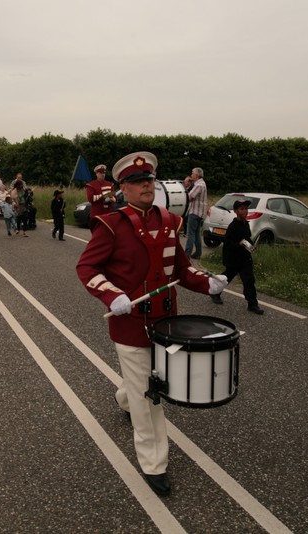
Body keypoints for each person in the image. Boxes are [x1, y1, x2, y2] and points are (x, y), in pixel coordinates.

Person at [76, 151, 227, 497]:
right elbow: (86, 268)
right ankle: (154, 462)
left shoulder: (171, 222)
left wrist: (207, 283)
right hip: (130, 325)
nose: (145, 185)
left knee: (143, 383)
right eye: (136, 181)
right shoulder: (111, 225)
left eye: (149, 179)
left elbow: (182, 270)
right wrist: (111, 294)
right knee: (149, 397)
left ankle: (125, 397)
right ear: (123, 188)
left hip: (166, 323)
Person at [210, 199, 264, 314]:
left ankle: (252, 304)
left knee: (249, 280)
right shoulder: (233, 226)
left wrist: (251, 246)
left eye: (246, 209)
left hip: (245, 259)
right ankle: (215, 293)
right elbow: (228, 244)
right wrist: (238, 244)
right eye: (242, 209)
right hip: (233, 259)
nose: (245, 211)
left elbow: (247, 238)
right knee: (225, 279)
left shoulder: (246, 224)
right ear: (235, 211)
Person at [184, 167, 207, 259]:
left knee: (190, 234)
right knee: (197, 234)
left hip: (194, 213)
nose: (191, 175)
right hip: (199, 213)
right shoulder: (202, 184)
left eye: (192, 173)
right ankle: (198, 253)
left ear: (197, 175)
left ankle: (187, 255)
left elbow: (189, 197)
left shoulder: (199, 185)